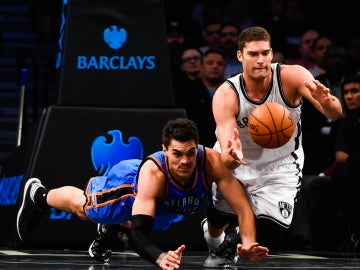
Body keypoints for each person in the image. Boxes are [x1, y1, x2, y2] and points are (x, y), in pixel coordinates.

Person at [16, 118, 268, 269]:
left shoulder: (211, 163)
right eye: (177, 154)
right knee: (88, 210)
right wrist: (159, 258)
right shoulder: (154, 174)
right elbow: (138, 233)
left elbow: (243, 208)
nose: (185, 161)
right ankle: (39, 195)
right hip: (130, 186)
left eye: (190, 153)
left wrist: (247, 245)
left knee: (159, 218)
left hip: (166, 204)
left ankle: (111, 227)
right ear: (164, 150)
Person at [202, 26, 342, 268]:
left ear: (271, 53)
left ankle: (230, 247)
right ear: (240, 56)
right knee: (219, 215)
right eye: (253, 54)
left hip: (282, 162)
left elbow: (336, 113)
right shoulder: (226, 94)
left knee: (274, 229)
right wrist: (232, 156)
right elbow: (226, 156)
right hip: (240, 159)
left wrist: (326, 101)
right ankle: (214, 233)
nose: (260, 60)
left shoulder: (293, 76)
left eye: (265, 53)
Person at [331, 73, 360, 251]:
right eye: (346, 92)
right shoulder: (346, 122)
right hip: (355, 169)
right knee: (342, 172)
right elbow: (340, 155)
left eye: (355, 91)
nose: (349, 96)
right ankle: (355, 233)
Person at [175, 48, 226, 147]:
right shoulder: (186, 91)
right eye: (210, 63)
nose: (215, 66)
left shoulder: (233, 90)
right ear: (201, 67)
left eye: (219, 64)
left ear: (224, 68)